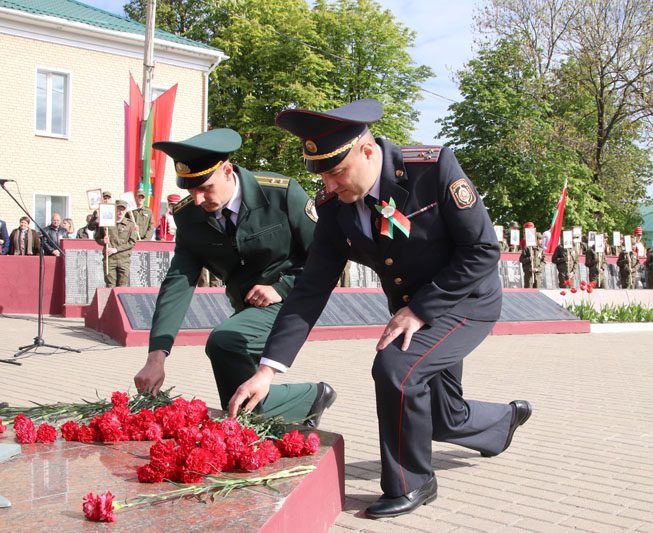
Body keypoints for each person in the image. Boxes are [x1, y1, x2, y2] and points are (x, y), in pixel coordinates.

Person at [229, 99, 532, 518]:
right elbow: (310, 289)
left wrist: (419, 310)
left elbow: (482, 250)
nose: (330, 187)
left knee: (395, 369)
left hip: (465, 301)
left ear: (367, 152)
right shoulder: (336, 209)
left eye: (336, 172)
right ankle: (502, 424)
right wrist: (268, 370)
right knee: (440, 417)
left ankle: (413, 482)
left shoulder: (432, 169)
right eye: (323, 176)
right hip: (414, 313)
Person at [133, 128, 335, 427]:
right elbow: (178, 282)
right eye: (191, 191)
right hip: (245, 308)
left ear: (227, 171)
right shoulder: (190, 216)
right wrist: (156, 356)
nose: (199, 199)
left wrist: (282, 287)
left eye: (205, 187)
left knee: (225, 341)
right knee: (238, 384)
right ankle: (300, 405)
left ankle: (308, 398)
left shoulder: (281, 194)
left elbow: (326, 256)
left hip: (294, 298)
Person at [95, 200, 137, 287]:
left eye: (123, 209)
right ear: (115, 209)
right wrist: (103, 241)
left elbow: (132, 242)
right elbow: (97, 237)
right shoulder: (106, 222)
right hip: (110, 259)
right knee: (110, 285)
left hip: (124, 259)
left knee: (122, 286)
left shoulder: (130, 224)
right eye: (119, 209)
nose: (121, 212)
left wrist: (116, 249)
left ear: (126, 211)